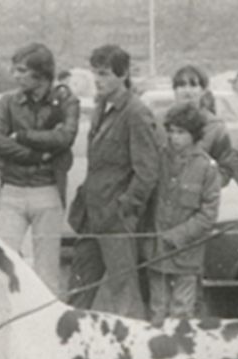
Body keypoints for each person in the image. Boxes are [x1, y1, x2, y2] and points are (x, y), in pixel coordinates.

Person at [67, 44, 160, 320]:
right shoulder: (101, 107)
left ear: (123, 74)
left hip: (116, 220)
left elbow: (147, 172)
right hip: (91, 217)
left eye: (105, 73)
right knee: (78, 290)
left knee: (124, 295)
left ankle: (134, 345)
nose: (97, 80)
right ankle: (70, 341)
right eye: (95, 73)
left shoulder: (136, 112)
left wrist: (125, 209)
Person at [0, 42, 79, 294]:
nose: (15, 75)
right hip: (12, 190)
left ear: (41, 74)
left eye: (21, 70)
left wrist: (22, 136)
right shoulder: (8, 102)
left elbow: (65, 138)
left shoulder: (66, 101)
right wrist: (37, 155)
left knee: (47, 271)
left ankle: (48, 319)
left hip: (47, 190)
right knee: (1, 262)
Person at [144, 102, 220, 320]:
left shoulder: (206, 167)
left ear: (194, 134)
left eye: (181, 132)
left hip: (187, 255)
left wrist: (177, 236)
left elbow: (208, 215)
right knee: (158, 309)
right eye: (171, 131)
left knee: (182, 312)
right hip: (157, 253)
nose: (174, 137)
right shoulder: (158, 159)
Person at [169, 64, 238, 188]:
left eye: (193, 85)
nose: (187, 91)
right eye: (182, 85)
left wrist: (207, 184)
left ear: (203, 90)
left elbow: (225, 167)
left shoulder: (215, 127)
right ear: (174, 89)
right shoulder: (160, 122)